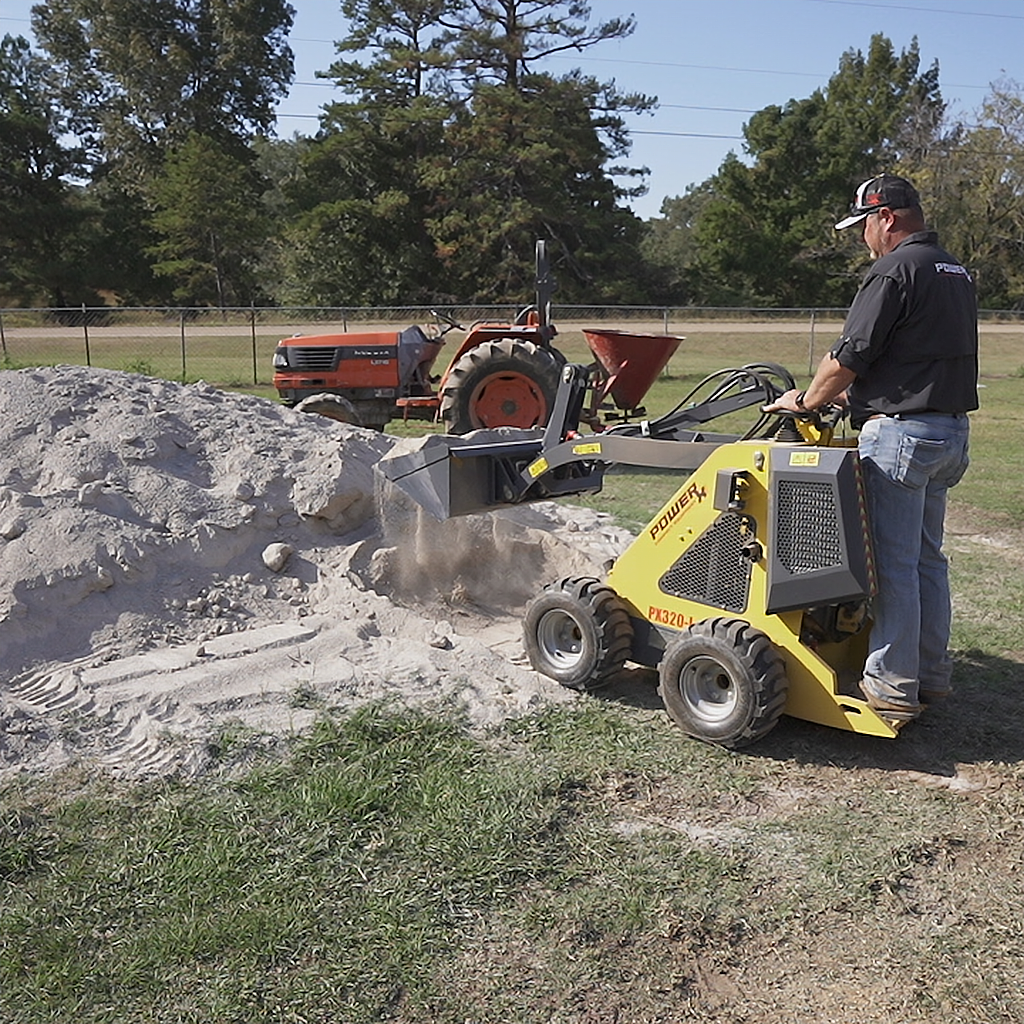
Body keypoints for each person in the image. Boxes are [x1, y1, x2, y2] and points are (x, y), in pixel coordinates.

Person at [765, 173, 978, 723]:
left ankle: (891, 685)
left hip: (902, 438)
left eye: (863, 225)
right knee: (928, 560)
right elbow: (916, 355)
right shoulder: (953, 270)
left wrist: (806, 401)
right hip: (948, 433)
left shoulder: (894, 270)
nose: (863, 237)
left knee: (893, 566)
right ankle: (931, 673)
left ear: (886, 217)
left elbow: (849, 355)